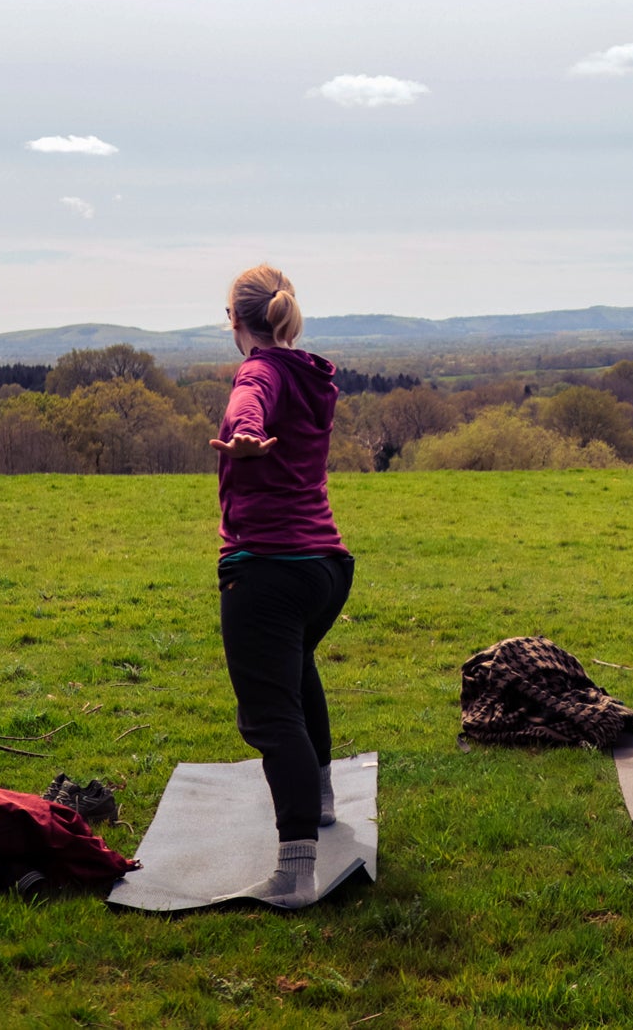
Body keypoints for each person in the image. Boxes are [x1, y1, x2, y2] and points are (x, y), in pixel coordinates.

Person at [210, 264, 354, 907]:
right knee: (296, 675)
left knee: (270, 716)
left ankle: (296, 871)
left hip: (267, 569)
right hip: (325, 567)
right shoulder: (312, 374)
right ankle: (320, 799)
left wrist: (242, 432)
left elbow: (250, 399)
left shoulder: (258, 370)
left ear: (234, 321)